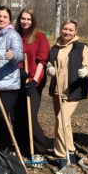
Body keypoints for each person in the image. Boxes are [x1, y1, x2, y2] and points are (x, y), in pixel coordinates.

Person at [46, 19, 88, 168]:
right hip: (58, 91)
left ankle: (60, 156)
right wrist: (49, 70)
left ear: (75, 32)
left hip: (73, 91)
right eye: (65, 29)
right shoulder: (55, 48)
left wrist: (86, 72)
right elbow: (50, 64)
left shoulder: (81, 48)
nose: (67, 32)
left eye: (71, 30)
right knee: (65, 124)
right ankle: (70, 151)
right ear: (61, 30)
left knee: (60, 121)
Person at [14, 9, 52, 161]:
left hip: (34, 80)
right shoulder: (16, 36)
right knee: (19, 115)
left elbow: (42, 61)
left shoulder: (39, 37)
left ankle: (40, 148)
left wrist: (34, 81)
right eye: (23, 19)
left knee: (31, 115)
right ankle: (24, 147)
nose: (25, 22)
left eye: (28, 19)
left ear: (33, 21)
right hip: (18, 80)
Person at [0, 6, 24, 150]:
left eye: (4, 17)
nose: (1, 19)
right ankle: (2, 145)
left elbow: (20, 55)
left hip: (8, 83)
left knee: (3, 116)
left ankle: (8, 145)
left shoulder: (13, 35)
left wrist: (12, 55)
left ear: (9, 20)